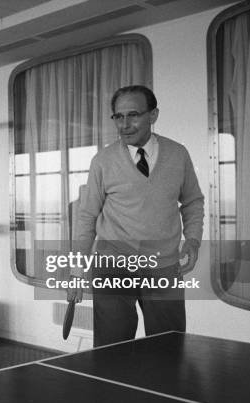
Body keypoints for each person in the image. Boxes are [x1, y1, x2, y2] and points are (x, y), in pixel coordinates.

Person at [70, 85, 204, 347]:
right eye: (118, 117)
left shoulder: (178, 154)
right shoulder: (103, 161)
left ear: (153, 115)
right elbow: (86, 217)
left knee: (169, 348)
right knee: (112, 351)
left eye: (133, 115)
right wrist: (76, 272)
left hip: (164, 265)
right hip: (113, 268)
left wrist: (194, 240)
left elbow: (192, 202)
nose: (124, 124)